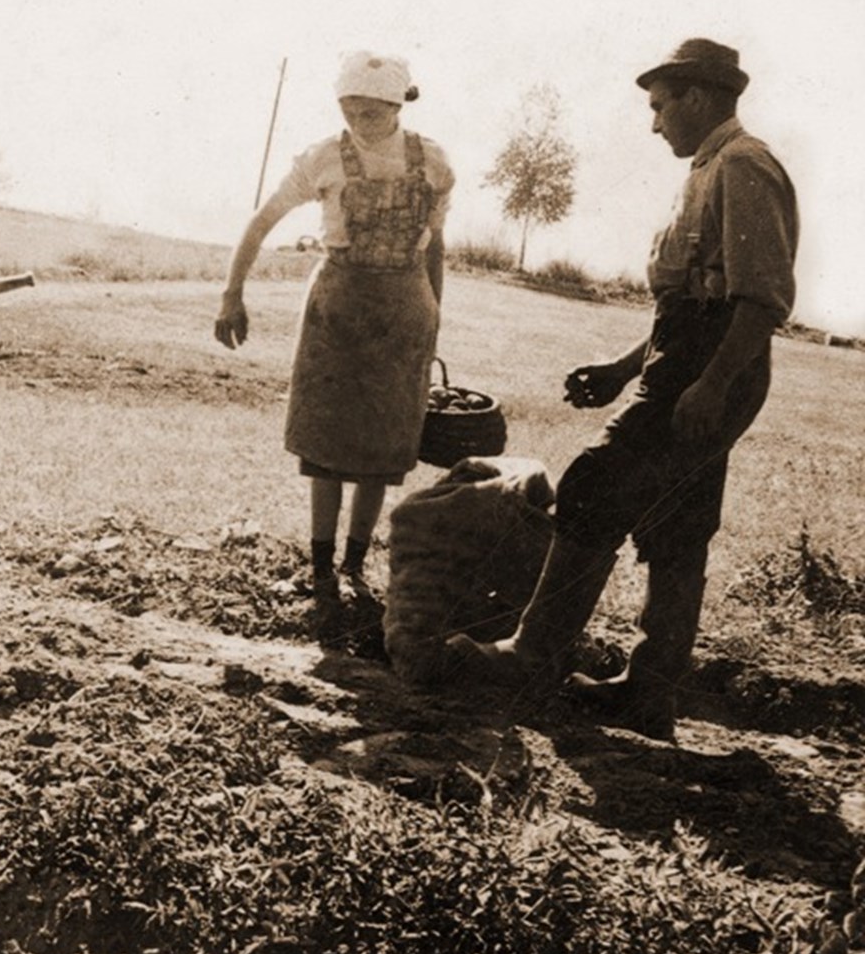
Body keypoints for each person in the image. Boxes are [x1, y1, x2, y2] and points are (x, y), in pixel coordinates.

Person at [448, 38, 798, 739]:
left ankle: (531, 656)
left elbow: (759, 301)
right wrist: (624, 368)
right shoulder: (708, 168)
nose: (654, 122)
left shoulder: (742, 165)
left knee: (593, 482)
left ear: (698, 97)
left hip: (713, 366)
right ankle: (649, 693)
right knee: (679, 522)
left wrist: (711, 385)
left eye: (661, 106)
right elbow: (691, 302)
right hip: (690, 361)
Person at [216, 51, 454, 636]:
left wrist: (434, 316)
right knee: (326, 442)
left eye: (371, 111)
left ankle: (354, 564)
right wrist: (232, 292)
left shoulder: (433, 162)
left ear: (397, 106)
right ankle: (321, 566)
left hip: (403, 311)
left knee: (383, 447)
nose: (359, 120)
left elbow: (435, 247)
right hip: (338, 309)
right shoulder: (323, 157)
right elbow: (261, 221)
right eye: (349, 109)